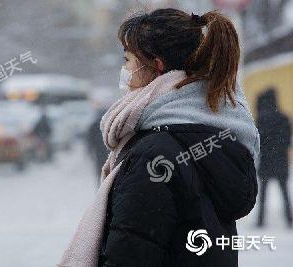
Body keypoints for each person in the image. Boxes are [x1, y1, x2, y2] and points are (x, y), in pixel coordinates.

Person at [59, 8, 260, 267]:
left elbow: (129, 256)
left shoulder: (154, 155)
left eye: (128, 60)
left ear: (156, 66)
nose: (125, 70)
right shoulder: (213, 138)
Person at [256, 88, 292, 228]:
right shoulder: (284, 118)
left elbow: (258, 142)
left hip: (266, 161)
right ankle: (289, 219)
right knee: (284, 193)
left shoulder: (261, 119)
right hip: (281, 161)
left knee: (263, 195)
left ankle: (260, 220)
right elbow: (288, 141)